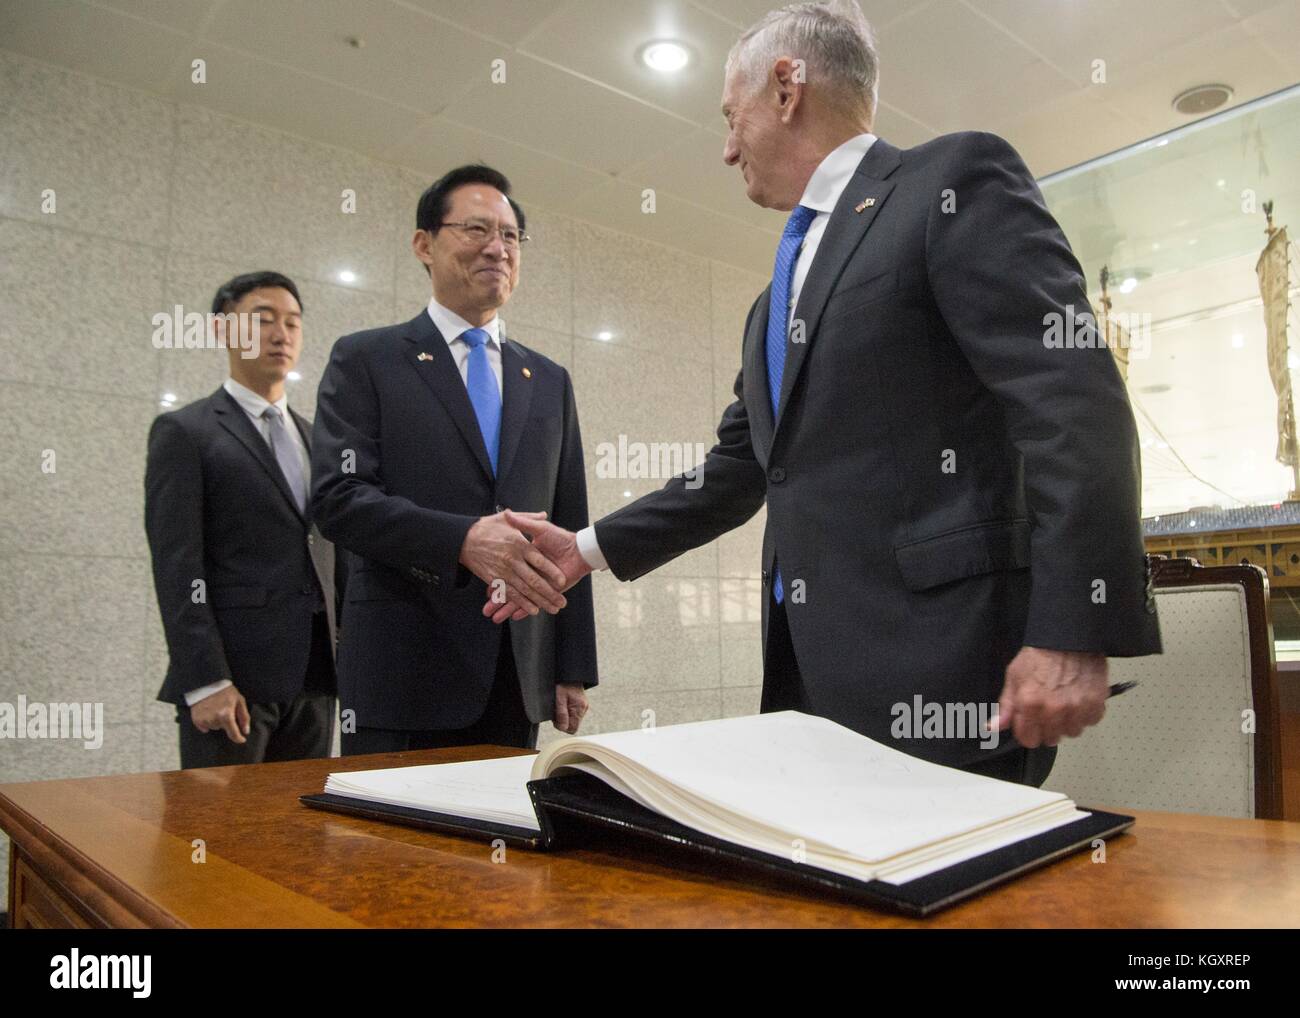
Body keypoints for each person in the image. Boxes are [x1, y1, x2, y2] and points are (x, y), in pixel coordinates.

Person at [484, 1, 1160, 785]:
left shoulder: (953, 180)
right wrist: (587, 549)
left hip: (943, 667)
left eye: (730, 118)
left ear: (785, 88)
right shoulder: (771, 304)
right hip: (805, 676)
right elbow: (741, 469)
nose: (726, 148)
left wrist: (1071, 629)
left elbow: (1072, 400)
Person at [310, 164, 596, 754]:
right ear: (424, 243)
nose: (497, 248)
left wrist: (571, 665)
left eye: (511, 236)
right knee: (390, 848)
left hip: (516, 676)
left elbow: (569, 527)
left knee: (505, 840)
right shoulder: (367, 359)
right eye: (475, 229)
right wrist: (462, 539)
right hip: (400, 673)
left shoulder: (547, 380)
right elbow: (338, 500)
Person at [146, 271, 342, 767]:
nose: (282, 334)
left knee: (300, 835)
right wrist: (205, 680)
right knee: (218, 837)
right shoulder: (186, 432)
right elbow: (177, 564)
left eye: (293, 323)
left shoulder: (320, 439)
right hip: (232, 685)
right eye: (263, 320)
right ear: (222, 331)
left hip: (317, 679)